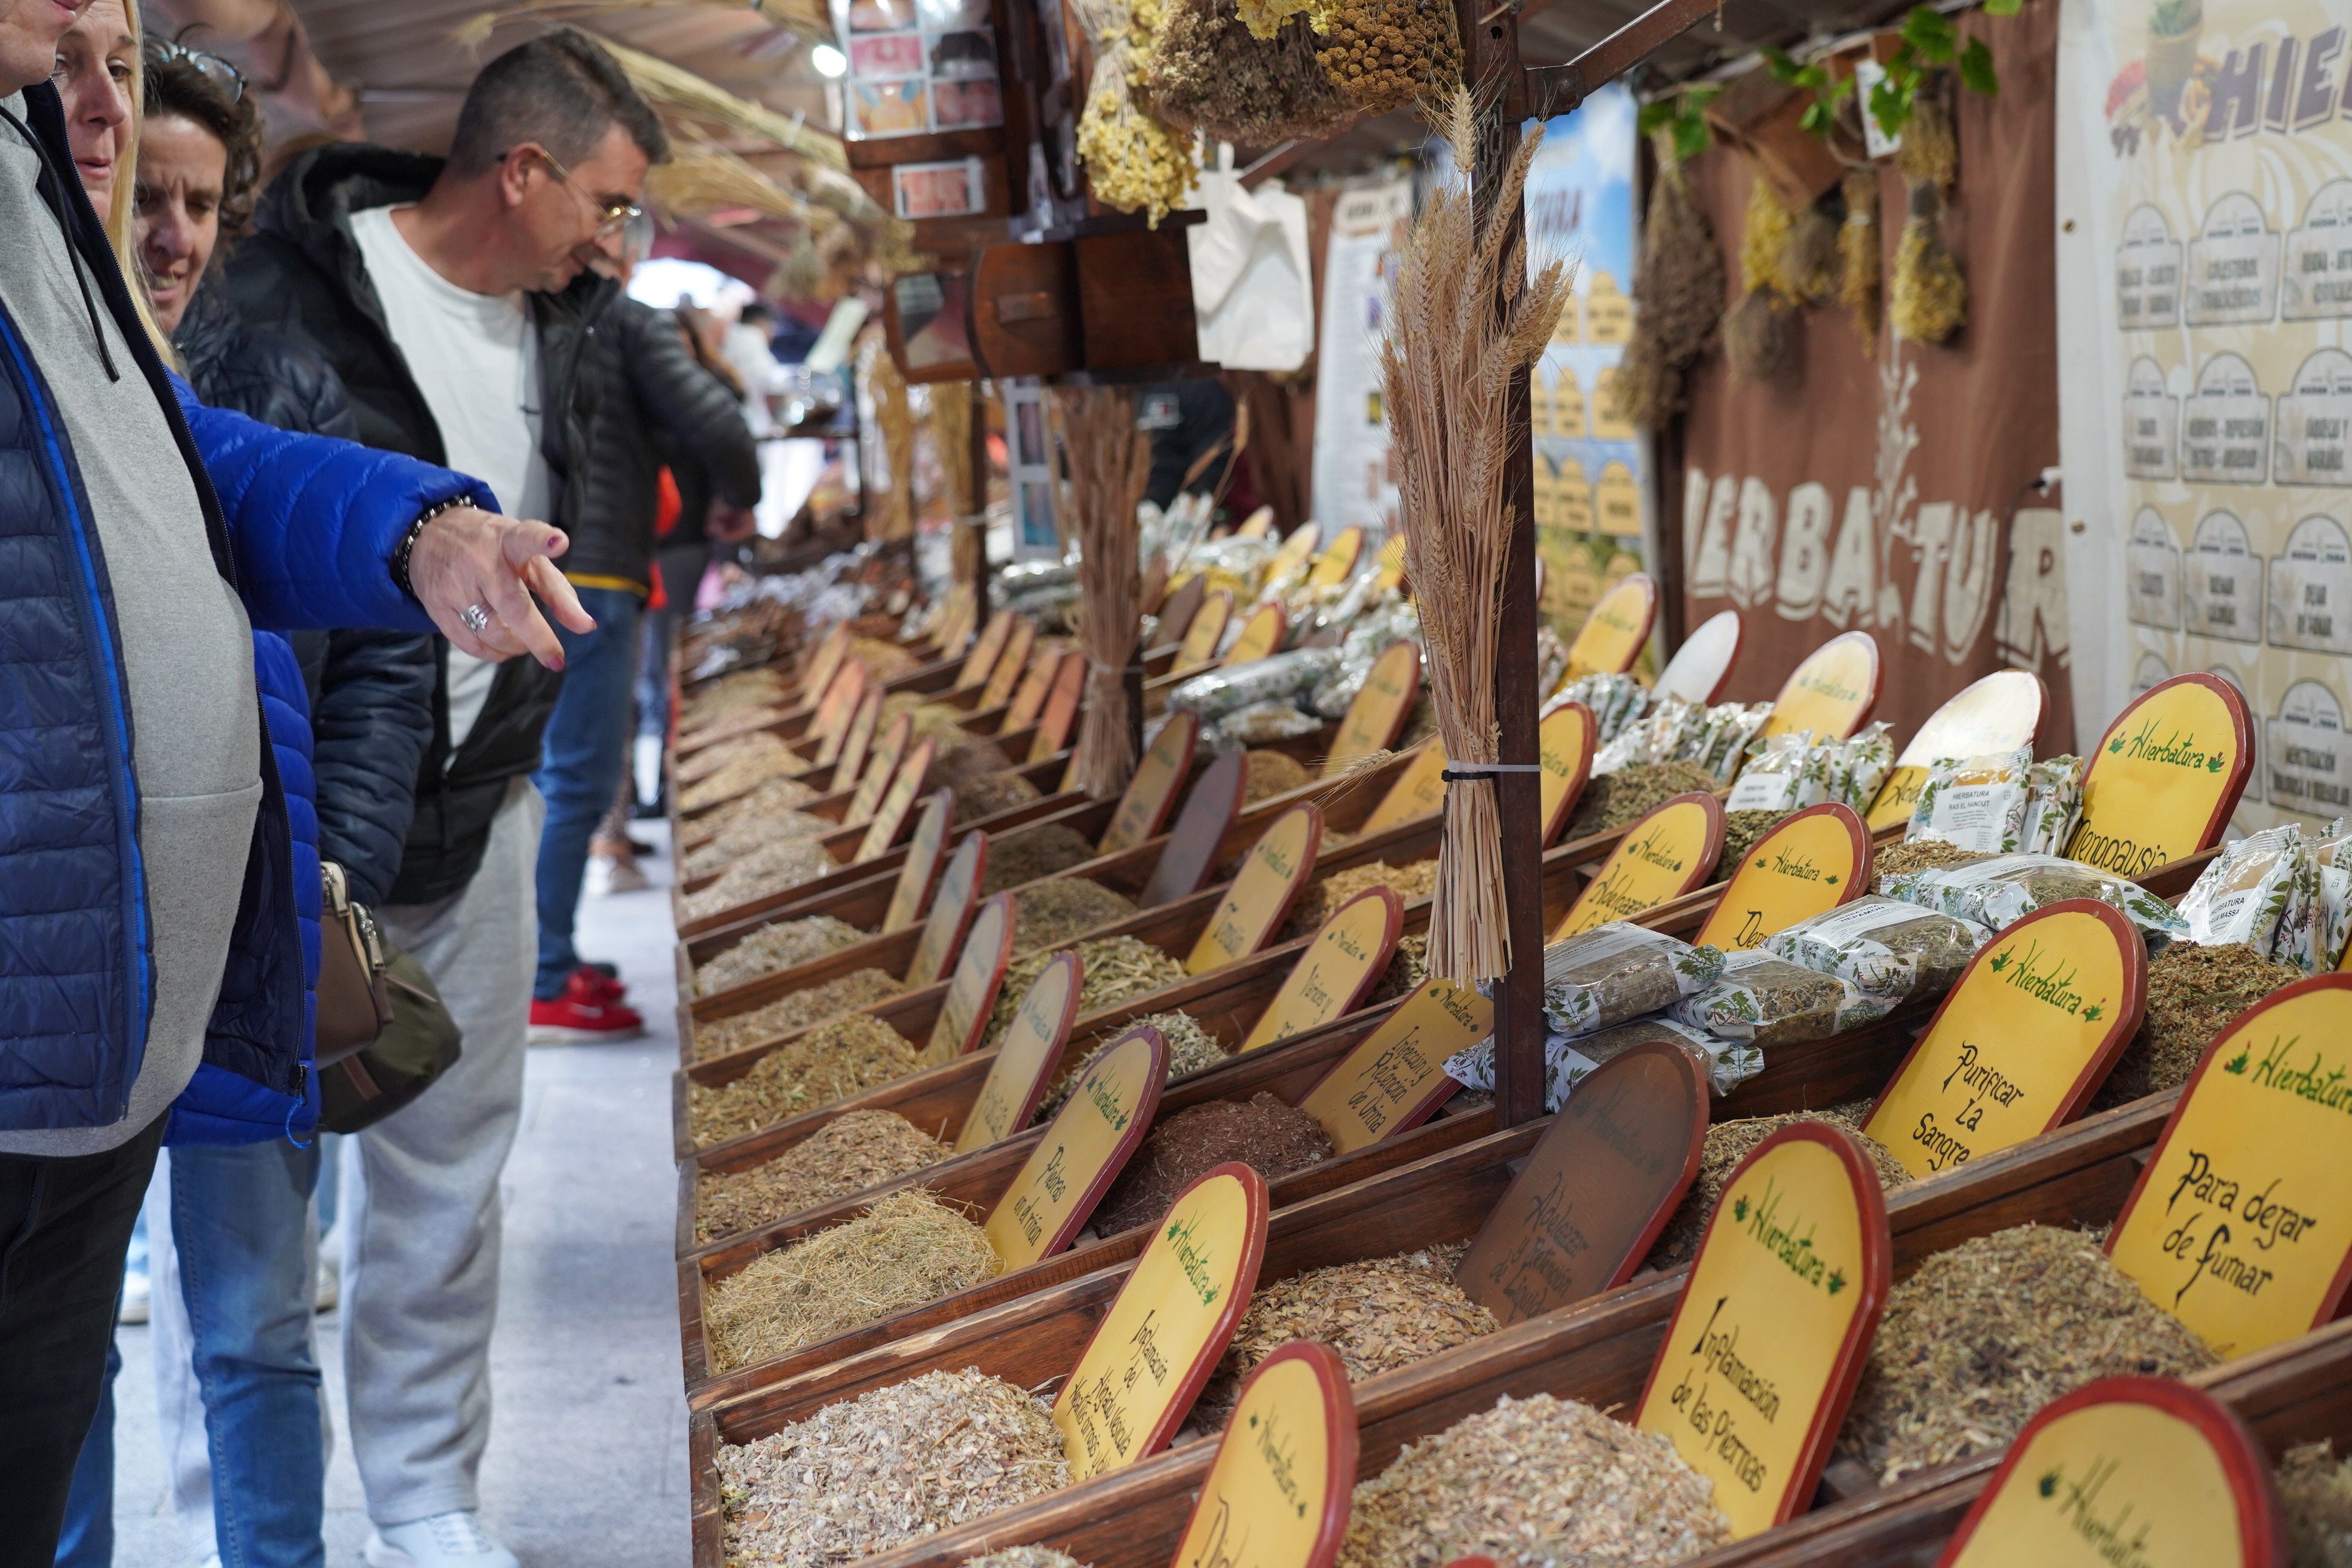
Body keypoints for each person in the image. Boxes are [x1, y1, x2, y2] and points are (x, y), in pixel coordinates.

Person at [0, 0, 597, 1557]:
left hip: (121, 1032)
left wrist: (420, 529)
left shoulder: (58, 244)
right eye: (56, 54)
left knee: (139, 1384)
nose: (98, 106)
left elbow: (208, 476)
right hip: (42, 1022)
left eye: (116, 58)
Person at [220, 27, 667, 1567]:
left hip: (477, 808)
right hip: (280, 824)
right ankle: (251, 1521)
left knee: (446, 1190)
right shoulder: (279, 295)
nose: (616, 243)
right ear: (521, 169)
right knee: (250, 1218)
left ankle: (427, 1499)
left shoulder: (578, 326)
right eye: (606, 205)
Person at [53, 30, 443, 1568]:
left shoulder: (286, 388)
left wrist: (323, 849)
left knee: (259, 1328)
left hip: (243, 950)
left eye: (203, 204)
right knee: (55, 1351)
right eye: (148, 191)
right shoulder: (48, 382)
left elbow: (382, 667)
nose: (171, 235)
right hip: (74, 960)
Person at [529, 211, 757, 1039]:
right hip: (589, 574)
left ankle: (545, 953)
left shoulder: (525, 310)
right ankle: (545, 973)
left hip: (527, 571)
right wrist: (740, 497)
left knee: (542, 778)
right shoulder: (624, 320)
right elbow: (720, 424)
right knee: (580, 778)